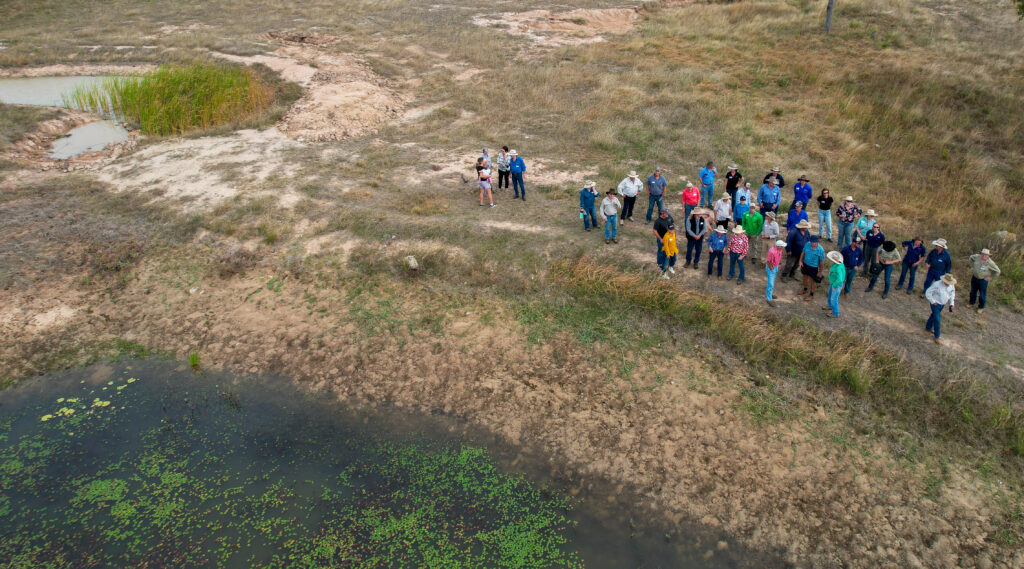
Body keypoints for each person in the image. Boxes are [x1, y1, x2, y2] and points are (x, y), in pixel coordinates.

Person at [925, 274, 957, 345]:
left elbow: (952, 294)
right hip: (935, 304)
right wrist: (933, 301)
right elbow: (928, 292)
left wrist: (952, 303)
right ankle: (937, 336)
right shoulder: (937, 284)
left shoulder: (951, 285)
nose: (948, 284)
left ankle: (928, 327)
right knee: (937, 320)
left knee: (934, 315)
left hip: (942, 304)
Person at [968, 248, 1001, 314]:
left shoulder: (990, 263)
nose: (984, 256)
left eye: (986, 255)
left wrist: (990, 278)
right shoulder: (977, 257)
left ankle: (981, 307)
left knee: (982, 294)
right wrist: (972, 266)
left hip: (983, 280)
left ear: (988, 255)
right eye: (983, 254)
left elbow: (998, 271)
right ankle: (971, 303)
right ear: (981, 254)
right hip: (975, 278)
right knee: (973, 291)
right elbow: (971, 257)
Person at [798, 235, 826, 300]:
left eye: (815, 242)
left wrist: (820, 271)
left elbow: (822, 262)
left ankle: (811, 294)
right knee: (804, 277)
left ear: (817, 242)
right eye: (812, 242)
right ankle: (805, 289)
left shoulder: (820, 250)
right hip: (805, 264)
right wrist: (800, 261)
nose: (813, 244)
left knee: (813, 281)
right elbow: (803, 252)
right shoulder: (807, 244)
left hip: (814, 267)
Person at [824, 251, 846, 318]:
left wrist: (834, 286)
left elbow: (839, 279)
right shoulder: (838, 264)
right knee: (830, 294)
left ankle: (835, 313)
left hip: (836, 284)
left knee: (834, 298)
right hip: (833, 282)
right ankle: (830, 305)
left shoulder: (838, 268)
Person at [765, 239, 785, 307]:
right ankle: (769, 299)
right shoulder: (772, 251)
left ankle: (770, 294)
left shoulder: (780, 250)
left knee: (772, 282)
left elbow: (779, 257)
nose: (782, 247)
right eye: (782, 246)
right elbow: (768, 261)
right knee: (770, 283)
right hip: (771, 268)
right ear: (778, 246)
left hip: (775, 267)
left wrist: (779, 264)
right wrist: (771, 268)